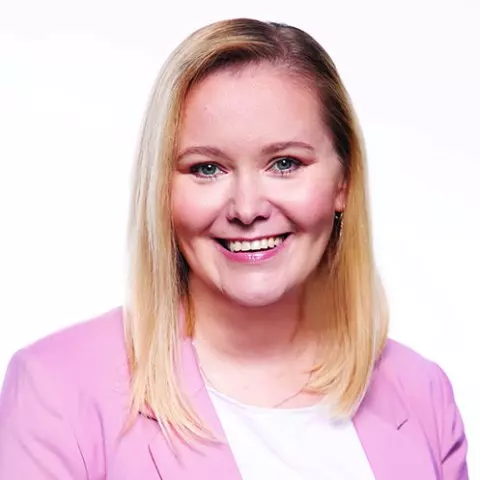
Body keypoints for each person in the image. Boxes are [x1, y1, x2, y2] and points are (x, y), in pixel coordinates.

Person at [0, 18, 468, 480]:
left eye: (285, 163)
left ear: (343, 181)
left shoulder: (423, 394)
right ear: (162, 190)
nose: (247, 208)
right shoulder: (55, 390)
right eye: (207, 168)